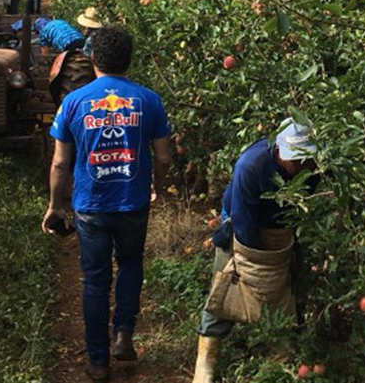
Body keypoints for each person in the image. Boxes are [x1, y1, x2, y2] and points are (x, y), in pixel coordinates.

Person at [42, 26, 172, 382]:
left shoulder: (74, 102)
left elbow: (59, 163)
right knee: (130, 264)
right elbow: (162, 159)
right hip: (133, 203)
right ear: (129, 59)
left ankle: (98, 362)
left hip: (91, 205)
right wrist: (155, 189)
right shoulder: (149, 100)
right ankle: (124, 336)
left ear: (93, 59)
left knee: (95, 281)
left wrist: (56, 206)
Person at [192, 119, 320, 383]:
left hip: (285, 230)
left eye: (304, 161)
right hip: (242, 227)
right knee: (226, 288)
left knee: (288, 292)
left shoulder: (314, 167)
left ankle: (279, 359)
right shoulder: (251, 166)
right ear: (278, 150)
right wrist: (256, 263)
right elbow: (243, 221)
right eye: (294, 161)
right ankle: (205, 365)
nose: (299, 167)